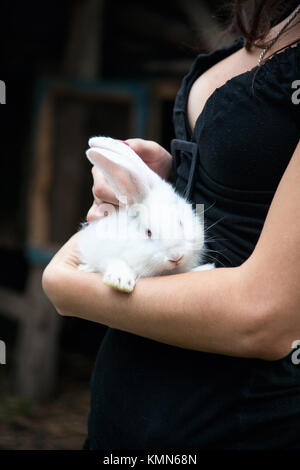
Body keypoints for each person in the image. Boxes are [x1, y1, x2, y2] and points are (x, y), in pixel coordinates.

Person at [42, 0, 300, 450]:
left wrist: (67, 285)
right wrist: (173, 178)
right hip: (122, 419)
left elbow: (267, 317)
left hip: (241, 427)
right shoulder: (279, 19)